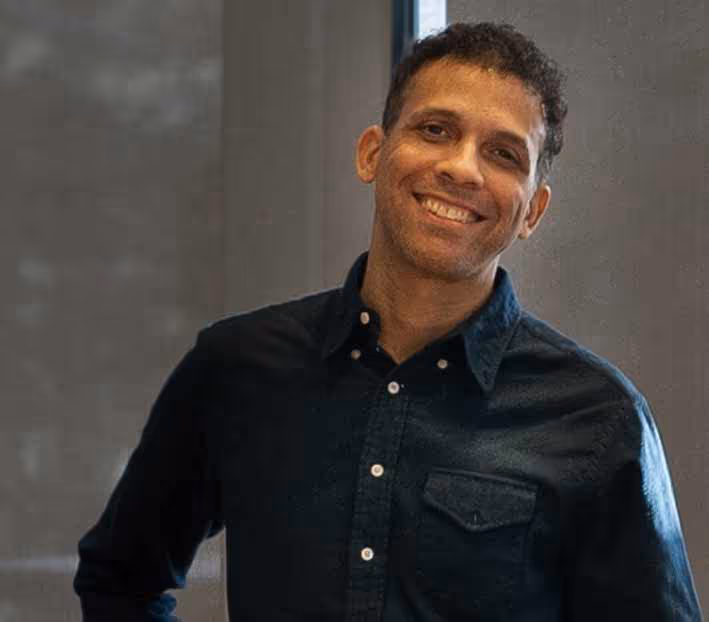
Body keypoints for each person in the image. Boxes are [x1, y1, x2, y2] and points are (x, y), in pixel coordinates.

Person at [74, 22, 703, 622]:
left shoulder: (599, 420)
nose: (462, 168)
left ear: (532, 211)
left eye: (503, 153)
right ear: (372, 153)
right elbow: (119, 576)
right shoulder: (235, 368)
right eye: (435, 129)